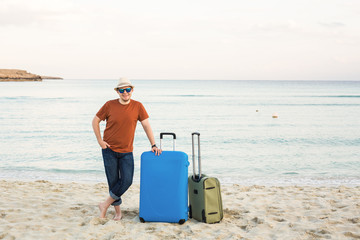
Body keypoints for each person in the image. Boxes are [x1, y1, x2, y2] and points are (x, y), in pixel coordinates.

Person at [92, 77, 161, 220]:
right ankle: (117, 212)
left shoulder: (138, 106)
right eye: (122, 90)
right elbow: (95, 121)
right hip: (109, 150)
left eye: (128, 89)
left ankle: (104, 204)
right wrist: (100, 140)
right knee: (113, 182)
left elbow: (146, 125)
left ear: (132, 90)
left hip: (127, 152)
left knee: (127, 181)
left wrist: (153, 144)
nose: (125, 93)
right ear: (117, 91)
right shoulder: (109, 105)